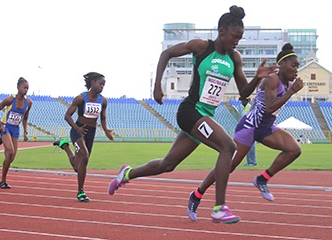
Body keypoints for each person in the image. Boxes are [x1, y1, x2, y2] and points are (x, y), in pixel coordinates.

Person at [108, 5, 278, 224]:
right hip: (190, 111)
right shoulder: (201, 47)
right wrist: (157, 86)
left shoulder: (234, 58)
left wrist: (257, 78)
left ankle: (127, 173)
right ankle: (219, 208)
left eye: (240, 38)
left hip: (206, 115)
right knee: (228, 147)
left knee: (167, 164)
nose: (237, 42)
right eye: (235, 37)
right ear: (222, 31)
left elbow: (244, 93)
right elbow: (166, 53)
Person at [187, 42, 303, 221]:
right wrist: (292, 92)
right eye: (293, 65)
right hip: (250, 127)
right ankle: (197, 194)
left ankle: (262, 179)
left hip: (266, 128)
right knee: (229, 166)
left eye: (298, 66)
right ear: (281, 65)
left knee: (294, 149)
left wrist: (291, 90)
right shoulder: (272, 79)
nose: (297, 70)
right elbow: (270, 108)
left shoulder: (289, 83)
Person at [64, 72, 113, 202]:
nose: (102, 86)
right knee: (84, 156)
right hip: (79, 130)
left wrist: (106, 130)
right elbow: (67, 116)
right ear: (92, 82)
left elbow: (103, 118)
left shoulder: (103, 100)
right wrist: (77, 128)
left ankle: (65, 147)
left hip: (91, 132)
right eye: (100, 83)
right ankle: (81, 192)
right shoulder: (80, 98)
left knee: (78, 166)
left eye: (104, 85)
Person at [0, 77, 33, 189]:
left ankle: (5, 140)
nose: (26, 90)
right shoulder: (10, 100)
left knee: (12, 157)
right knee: (10, 152)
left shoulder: (29, 102)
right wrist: (0, 125)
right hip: (6, 127)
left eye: (27, 88)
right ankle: (3, 181)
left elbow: (25, 118)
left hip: (16, 129)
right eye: (24, 87)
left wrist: (25, 131)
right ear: (18, 87)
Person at [239, 97, 257, 167]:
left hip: (250, 128)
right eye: (242, 100)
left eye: (244, 100)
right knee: (246, 145)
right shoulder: (242, 108)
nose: (243, 102)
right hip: (245, 128)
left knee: (251, 146)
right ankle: (250, 161)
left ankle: (252, 162)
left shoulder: (249, 107)